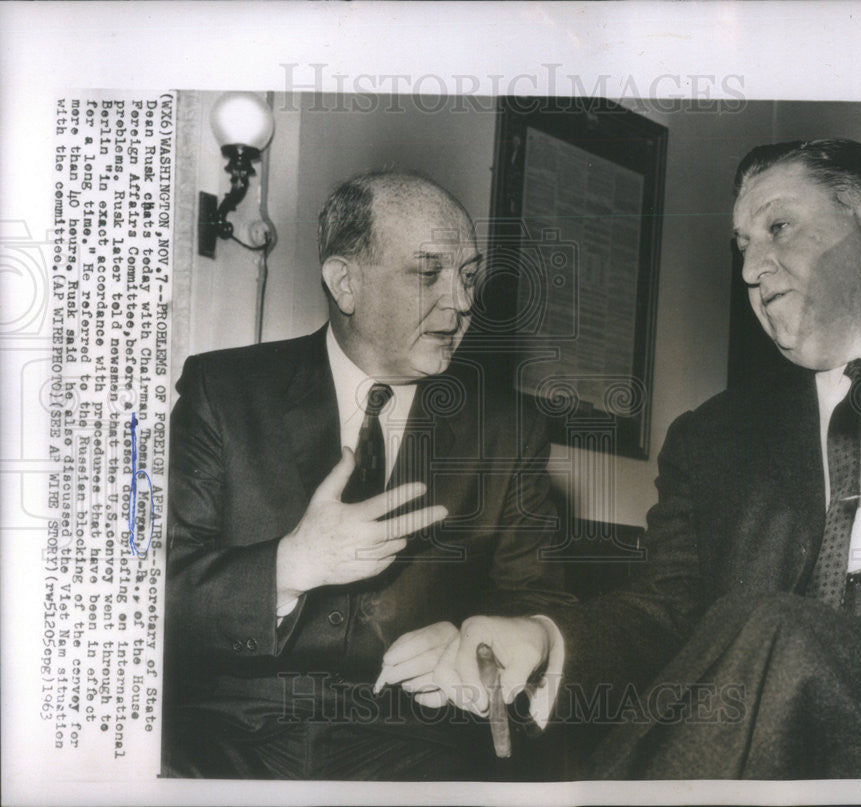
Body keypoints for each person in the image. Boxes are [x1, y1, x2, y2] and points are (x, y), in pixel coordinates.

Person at [400, 139, 861, 778]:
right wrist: (541, 639)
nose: (754, 268)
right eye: (741, 246)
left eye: (778, 228)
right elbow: (666, 618)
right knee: (769, 634)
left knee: (778, 627)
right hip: (768, 730)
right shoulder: (713, 438)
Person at [163, 171, 574, 780]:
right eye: (428, 272)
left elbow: (540, 608)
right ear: (345, 282)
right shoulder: (223, 391)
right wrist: (292, 564)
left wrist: (471, 645)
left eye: (467, 276)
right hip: (221, 736)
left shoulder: (508, 432)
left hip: (413, 746)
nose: (462, 303)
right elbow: (151, 599)